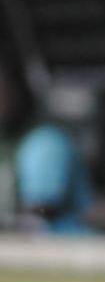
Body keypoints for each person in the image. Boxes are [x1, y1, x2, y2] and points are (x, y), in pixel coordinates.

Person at [0, 62, 93, 234]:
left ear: (20, 94)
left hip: (61, 240)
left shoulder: (45, 140)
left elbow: (39, 211)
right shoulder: (5, 140)